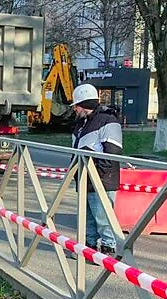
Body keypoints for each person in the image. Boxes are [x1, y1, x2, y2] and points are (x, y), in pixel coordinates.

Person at [71, 84, 122, 257]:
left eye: (76, 106)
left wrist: (95, 174)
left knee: (103, 220)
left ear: (84, 104)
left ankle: (108, 252)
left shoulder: (108, 120)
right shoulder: (81, 123)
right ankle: (89, 249)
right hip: (85, 178)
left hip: (101, 180)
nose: (74, 109)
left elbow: (113, 153)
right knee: (88, 219)